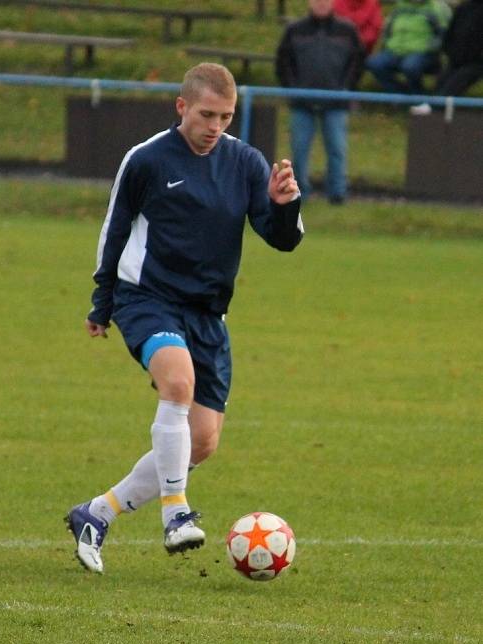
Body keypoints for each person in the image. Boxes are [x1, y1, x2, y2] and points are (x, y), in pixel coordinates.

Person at [65, 63, 304, 575]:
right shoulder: (147, 159)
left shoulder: (245, 162)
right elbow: (114, 230)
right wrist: (102, 303)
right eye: (206, 114)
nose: (215, 125)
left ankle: (96, 513)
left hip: (208, 314)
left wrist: (285, 204)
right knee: (177, 382)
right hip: (147, 299)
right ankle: (176, 514)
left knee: (202, 440)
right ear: (182, 107)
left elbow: (282, 238)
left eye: (226, 116)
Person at [275, 0, 366, 204]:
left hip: (337, 102)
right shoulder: (294, 30)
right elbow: (283, 61)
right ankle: (299, 194)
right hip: (302, 103)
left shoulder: (347, 30)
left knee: (336, 149)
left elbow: (358, 61)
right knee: (299, 151)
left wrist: (346, 88)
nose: (321, 4)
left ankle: (337, 195)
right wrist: (293, 89)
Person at [366, 0, 451, 94]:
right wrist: (387, 44)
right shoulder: (398, 9)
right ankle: (401, 94)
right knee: (374, 63)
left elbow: (443, 35)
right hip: (395, 51)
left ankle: (418, 96)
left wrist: (430, 47)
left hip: (423, 53)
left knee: (410, 66)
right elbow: (387, 32)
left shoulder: (436, 9)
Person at [437, 0, 483, 95]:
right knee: (441, 82)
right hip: (457, 59)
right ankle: (432, 105)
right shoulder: (464, 8)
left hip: (477, 63)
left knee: (451, 86)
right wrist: (448, 51)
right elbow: (451, 31)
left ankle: (433, 107)